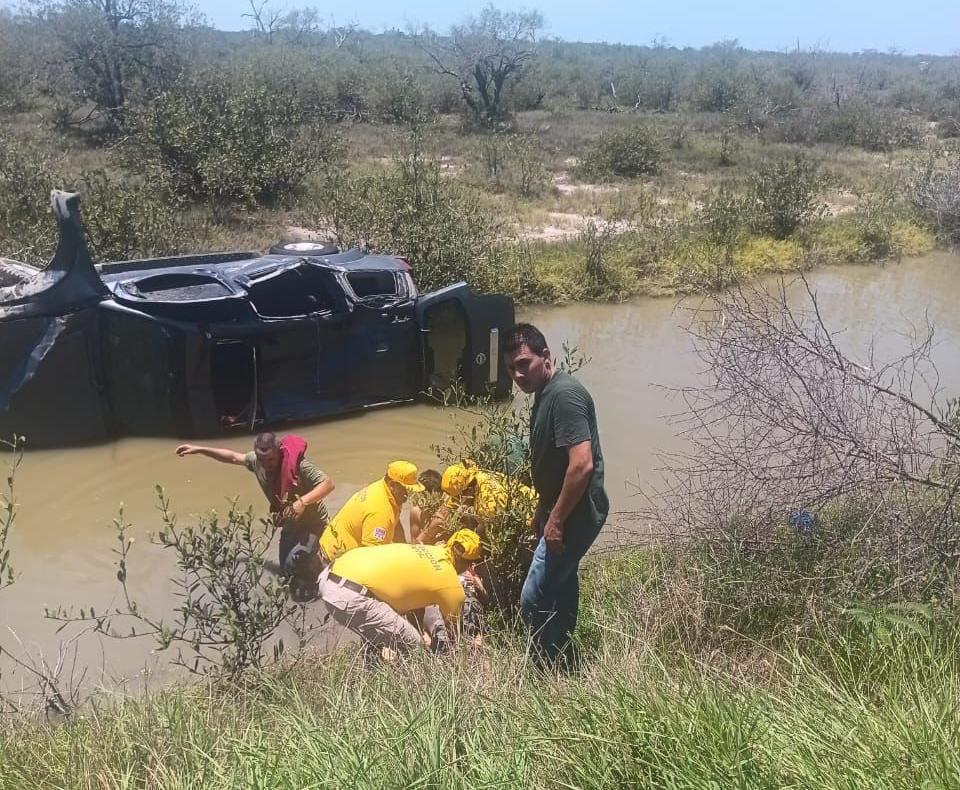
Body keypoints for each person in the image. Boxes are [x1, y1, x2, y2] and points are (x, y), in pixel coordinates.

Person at [504, 323, 608, 663]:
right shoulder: (544, 393)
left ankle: (545, 665)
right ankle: (564, 654)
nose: (518, 375)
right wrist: (543, 508)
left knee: (533, 597)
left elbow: (581, 465)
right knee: (561, 583)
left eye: (524, 363)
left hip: (577, 511)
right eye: (511, 368)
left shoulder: (564, 396)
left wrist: (557, 520)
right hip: (562, 508)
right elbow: (556, 463)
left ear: (546, 356)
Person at [175, 433, 335, 579]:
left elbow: (328, 484)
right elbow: (233, 457)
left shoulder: (299, 465)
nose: (266, 464)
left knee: (302, 565)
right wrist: (200, 449)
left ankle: (324, 574)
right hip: (291, 523)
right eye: (262, 459)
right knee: (286, 569)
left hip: (314, 523)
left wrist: (302, 502)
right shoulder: (256, 462)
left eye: (271, 459)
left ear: (279, 452)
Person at [317, 529, 482, 653]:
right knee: (414, 646)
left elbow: (413, 602)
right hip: (350, 595)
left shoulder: (428, 550)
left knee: (385, 639)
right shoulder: (451, 585)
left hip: (331, 574)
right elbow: (454, 633)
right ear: (468, 564)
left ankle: (373, 670)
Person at [318, 461, 424, 563]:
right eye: (407, 489)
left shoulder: (384, 489)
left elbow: (395, 524)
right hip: (335, 559)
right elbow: (371, 557)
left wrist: (404, 551)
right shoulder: (380, 512)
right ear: (393, 485)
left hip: (330, 543)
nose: (409, 494)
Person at [417, 462, 537, 545]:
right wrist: (420, 541)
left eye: (457, 498)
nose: (456, 501)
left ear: (468, 491)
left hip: (532, 518)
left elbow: (494, 538)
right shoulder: (469, 476)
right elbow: (442, 513)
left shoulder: (487, 504)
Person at [408, 469, 442, 542]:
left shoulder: (446, 510)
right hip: (425, 546)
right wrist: (431, 528)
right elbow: (414, 543)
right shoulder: (416, 512)